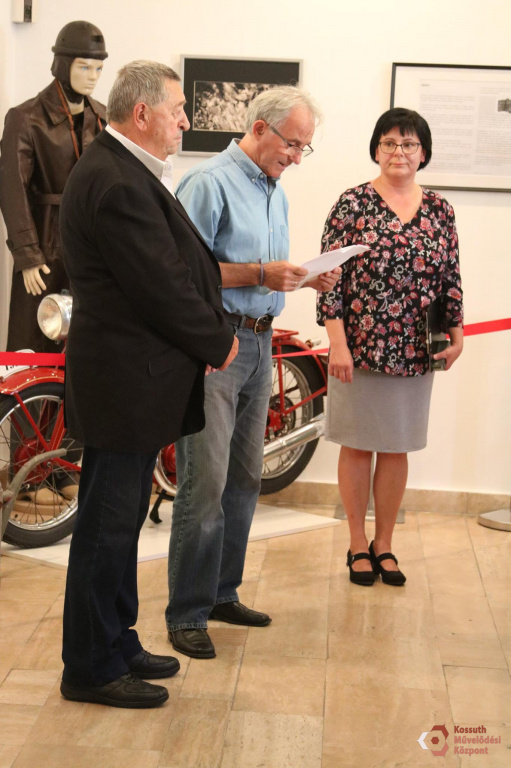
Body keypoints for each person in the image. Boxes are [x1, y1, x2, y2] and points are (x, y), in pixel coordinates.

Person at [59, 60, 238, 708]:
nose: (185, 121)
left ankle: (117, 641)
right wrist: (216, 339)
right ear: (141, 114)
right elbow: (160, 286)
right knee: (106, 530)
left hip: (130, 384)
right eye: (177, 109)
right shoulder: (116, 180)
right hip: (122, 387)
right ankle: (91, 667)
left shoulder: (123, 169)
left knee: (121, 523)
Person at [166, 86, 340, 659]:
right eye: (293, 144)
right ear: (260, 128)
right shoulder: (208, 182)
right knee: (205, 482)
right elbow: (183, 273)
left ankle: (222, 593)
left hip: (262, 345)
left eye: (305, 147)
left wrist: (304, 279)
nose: (297, 157)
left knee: (244, 479)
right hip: (217, 344)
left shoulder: (274, 191)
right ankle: (187, 612)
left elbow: (265, 273)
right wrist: (263, 274)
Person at [317, 107, 464, 587]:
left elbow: (450, 278)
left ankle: (385, 544)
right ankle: (357, 542)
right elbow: (329, 280)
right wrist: (337, 344)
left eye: (409, 144)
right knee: (358, 445)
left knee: (397, 447)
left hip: (417, 349)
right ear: (376, 149)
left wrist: (457, 334)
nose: (399, 152)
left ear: (423, 153)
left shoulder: (440, 210)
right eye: (389, 143)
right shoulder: (352, 204)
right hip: (359, 348)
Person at [0, 20, 108, 353]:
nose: (93, 76)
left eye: (98, 68)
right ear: (63, 64)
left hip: (93, 250)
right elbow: (12, 189)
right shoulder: (25, 118)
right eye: (84, 66)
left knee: (89, 347)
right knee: (34, 343)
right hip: (45, 246)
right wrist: (28, 255)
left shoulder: (103, 118)